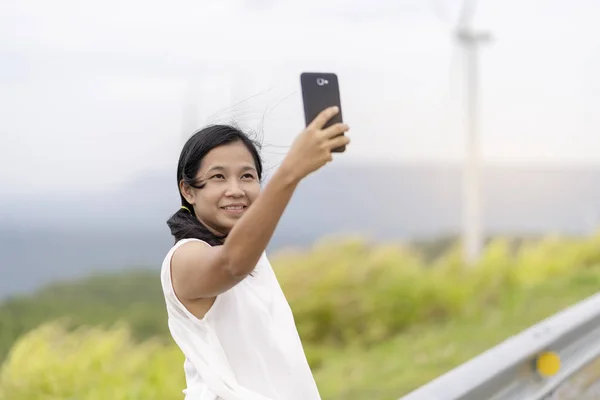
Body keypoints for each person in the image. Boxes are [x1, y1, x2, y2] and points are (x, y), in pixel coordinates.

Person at [160, 106, 350, 400]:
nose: (236, 190)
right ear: (188, 191)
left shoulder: (252, 254)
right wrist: (291, 171)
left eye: (247, 176)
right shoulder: (184, 258)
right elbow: (230, 265)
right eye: (218, 177)